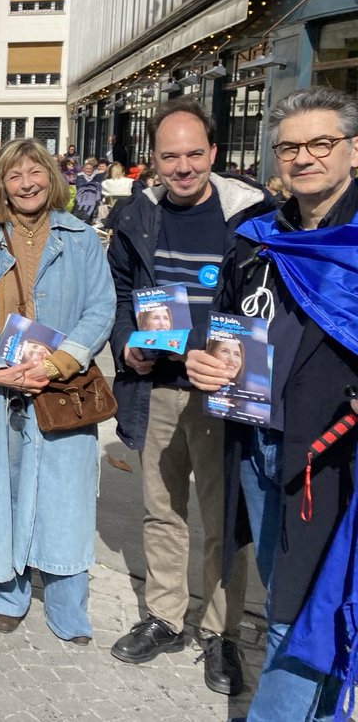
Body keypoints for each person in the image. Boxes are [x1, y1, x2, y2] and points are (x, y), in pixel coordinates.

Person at [187, 85, 358, 721]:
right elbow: (225, 322)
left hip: (332, 450)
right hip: (258, 441)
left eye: (321, 143)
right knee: (280, 580)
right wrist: (206, 360)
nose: (304, 157)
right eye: (290, 147)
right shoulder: (255, 237)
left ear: (353, 150)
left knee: (303, 600)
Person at [106, 96, 271, 697]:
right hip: (158, 390)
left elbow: (271, 307)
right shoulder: (135, 217)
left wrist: (239, 362)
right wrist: (128, 344)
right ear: (152, 160)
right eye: (169, 156)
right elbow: (121, 295)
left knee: (225, 519)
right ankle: (165, 617)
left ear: (214, 154)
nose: (182, 167)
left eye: (193, 154)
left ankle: (222, 634)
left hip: (226, 395)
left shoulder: (255, 219)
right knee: (162, 510)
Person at [0, 138, 113, 643]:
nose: (26, 184)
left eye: (34, 173)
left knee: (65, 499)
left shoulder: (81, 238)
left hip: (61, 389)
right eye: (14, 176)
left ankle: (66, 605)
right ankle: (2, 592)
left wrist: (60, 362)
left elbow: (100, 309)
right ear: (1, 185)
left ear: (52, 178)